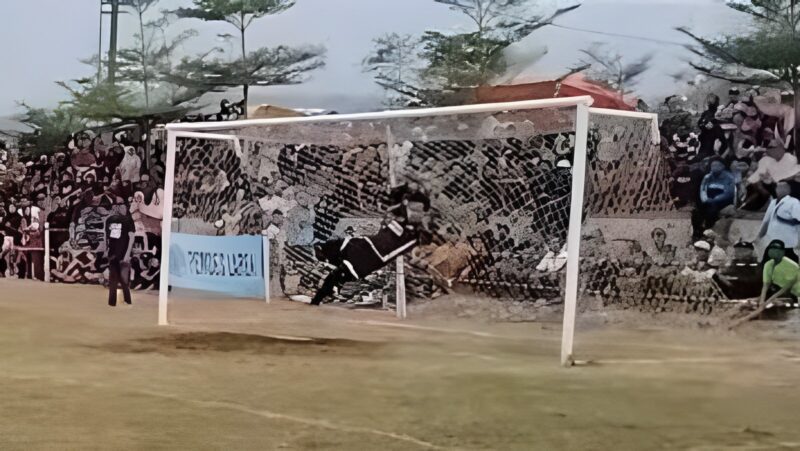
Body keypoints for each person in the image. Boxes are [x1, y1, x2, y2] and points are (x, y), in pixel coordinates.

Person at [755, 180, 800, 263]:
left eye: (783, 187)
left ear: (788, 189)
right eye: (778, 187)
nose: (780, 189)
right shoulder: (773, 202)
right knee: (766, 268)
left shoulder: (794, 202)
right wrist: (758, 237)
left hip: (787, 245)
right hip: (771, 243)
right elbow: (766, 221)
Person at [691, 158, 735, 240]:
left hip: (723, 203)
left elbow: (728, 193)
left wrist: (714, 200)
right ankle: (697, 232)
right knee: (696, 212)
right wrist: (705, 200)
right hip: (708, 201)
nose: (714, 167)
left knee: (712, 210)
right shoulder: (707, 177)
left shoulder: (729, 178)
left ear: (723, 166)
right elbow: (703, 189)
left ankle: (709, 231)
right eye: (713, 165)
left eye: (717, 165)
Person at [104, 210, 136, 307]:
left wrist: (127, 254)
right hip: (112, 253)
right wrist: (106, 249)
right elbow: (107, 236)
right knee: (113, 279)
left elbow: (131, 238)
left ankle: (127, 300)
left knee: (124, 280)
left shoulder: (128, 220)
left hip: (123, 253)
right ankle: (112, 303)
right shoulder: (110, 219)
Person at [759, 240, 800, 306]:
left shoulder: (791, 265)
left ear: (783, 252)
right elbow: (766, 284)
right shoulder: (768, 264)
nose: (773, 250)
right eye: (771, 248)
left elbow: (786, 288)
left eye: (776, 248)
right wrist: (762, 301)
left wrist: (769, 300)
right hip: (785, 294)